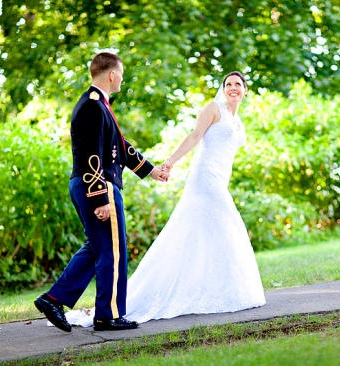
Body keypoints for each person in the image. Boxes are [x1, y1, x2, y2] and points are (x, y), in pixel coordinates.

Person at [62, 71, 266, 327]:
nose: (233, 88)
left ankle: (214, 289)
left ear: (245, 90)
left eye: (238, 84)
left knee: (205, 232)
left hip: (219, 180)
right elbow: (194, 137)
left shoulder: (238, 123)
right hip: (205, 178)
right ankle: (109, 309)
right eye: (228, 84)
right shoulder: (214, 109)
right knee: (229, 225)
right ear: (223, 89)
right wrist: (169, 162)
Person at [34, 52, 169, 332]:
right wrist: (100, 198)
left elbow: (119, 145)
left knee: (99, 248)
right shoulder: (92, 107)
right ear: (111, 75)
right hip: (98, 185)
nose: (122, 78)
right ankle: (108, 315)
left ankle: (53, 299)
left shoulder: (98, 106)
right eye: (120, 73)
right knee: (113, 252)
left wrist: (150, 170)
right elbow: (89, 155)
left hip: (91, 184)